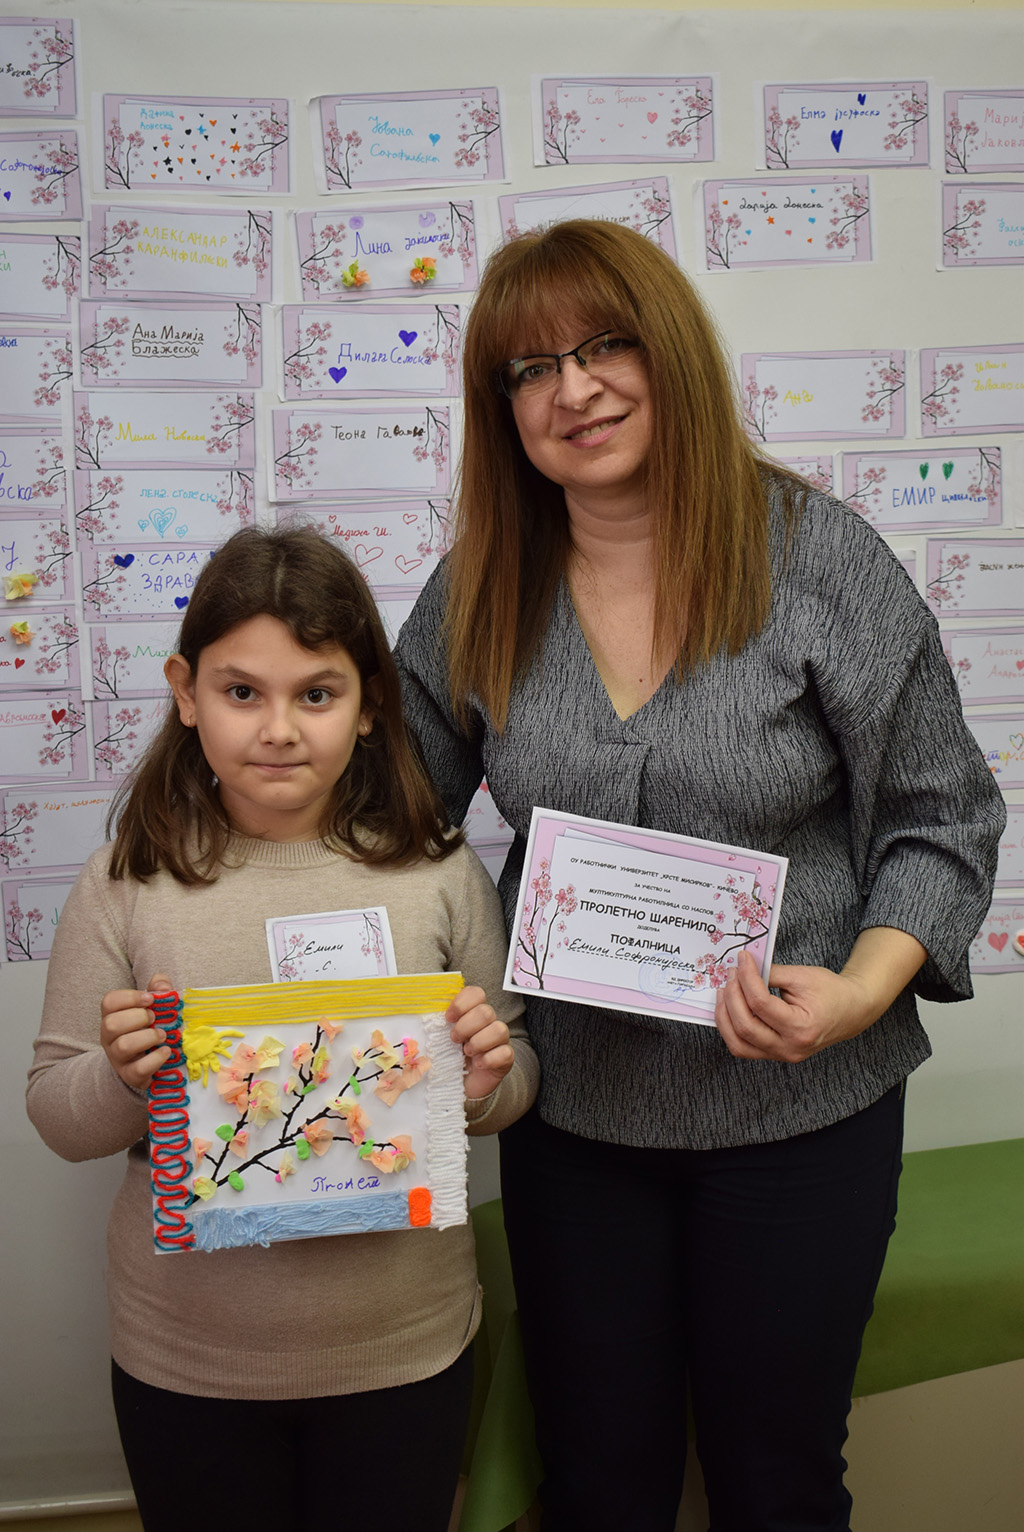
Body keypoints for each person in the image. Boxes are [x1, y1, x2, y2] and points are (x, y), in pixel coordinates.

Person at [393, 220, 1006, 1531]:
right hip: (576, 1123)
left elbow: (941, 816)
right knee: (597, 1484)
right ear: (503, 408)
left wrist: (859, 990)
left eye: (605, 345)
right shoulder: (478, 589)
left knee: (775, 1481)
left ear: (668, 350)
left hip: (803, 1115)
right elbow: (387, 827)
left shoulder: (820, 558)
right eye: (531, 369)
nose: (574, 389)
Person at [27, 525, 538, 1532]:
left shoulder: (436, 870)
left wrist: (483, 1082)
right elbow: (56, 1112)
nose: (278, 728)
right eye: (241, 691)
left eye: (316, 693)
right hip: (188, 1360)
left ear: (369, 704)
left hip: (404, 1349)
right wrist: (123, 1075)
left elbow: (513, 1072)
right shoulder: (128, 880)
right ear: (186, 693)